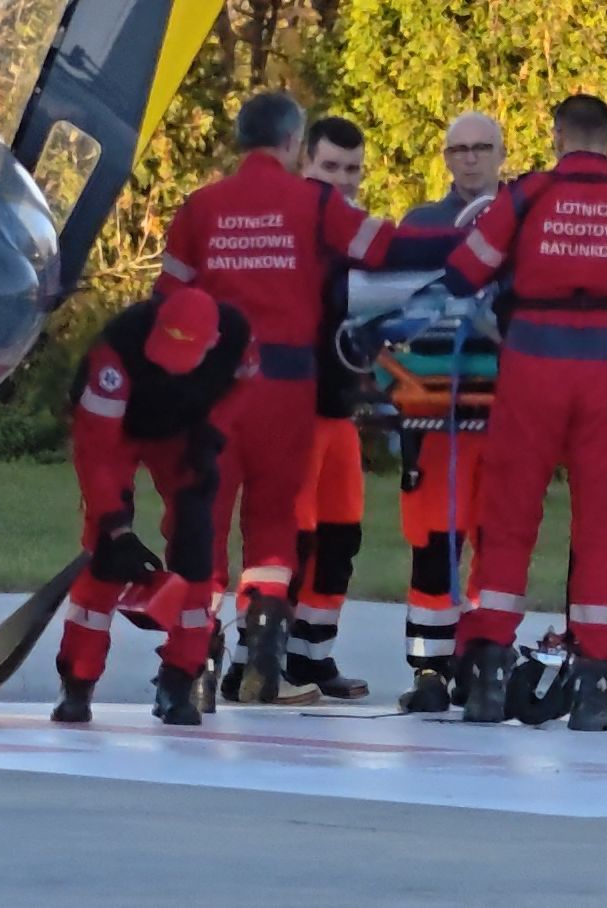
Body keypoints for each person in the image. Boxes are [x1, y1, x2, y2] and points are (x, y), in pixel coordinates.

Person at [155, 91, 461, 705]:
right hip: (288, 386)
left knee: (203, 525)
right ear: (295, 143)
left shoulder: (199, 208)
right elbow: (392, 248)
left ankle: (190, 670)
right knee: (274, 526)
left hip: (216, 386)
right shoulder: (313, 205)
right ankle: (266, 652)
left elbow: (168, 302)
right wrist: (479, 243)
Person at [442, 94, 607, 732]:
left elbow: (464, 272)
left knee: (509, 519)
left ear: (556, 138)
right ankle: (598, 689)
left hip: (532, 366)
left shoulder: (526, 196)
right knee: (601, 529)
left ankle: (488, 677)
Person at [52, 288, 253, 726]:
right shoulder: (115, 354)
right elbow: (96, 452)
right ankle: (78, 682)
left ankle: (179, 679)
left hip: (182, 433)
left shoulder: (237, 339)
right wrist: (116, 527)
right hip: (119, 431)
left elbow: (241, 389)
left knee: (196, 553)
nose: (167, 364)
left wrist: (212, 432)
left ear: (212, 343)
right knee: (105, 555)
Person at [395, 112, 505, 713]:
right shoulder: (421, 226)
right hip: (437, 407)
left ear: (501, 153)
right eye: (459, 149)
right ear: (445, 158)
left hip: (507, 407)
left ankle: (485, 660)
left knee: (500, 541)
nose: (470, 158)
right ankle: (430, 669)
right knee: (435, 540)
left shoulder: (526, 221)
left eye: (481, 147)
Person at [282, 116, 371, 701]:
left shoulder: (358, 231)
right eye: (329, 167)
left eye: (352, 169)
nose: (341, 180)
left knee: (341, 537)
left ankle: (312, 655)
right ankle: (258, 658)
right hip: (295, 407)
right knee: (292, 539)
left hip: (341, 407)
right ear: (305, 164)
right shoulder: (292, 227)